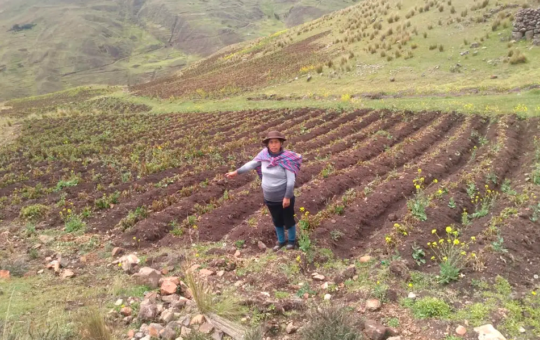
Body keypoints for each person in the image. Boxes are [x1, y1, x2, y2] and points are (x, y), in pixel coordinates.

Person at [226, 131, 302, 251]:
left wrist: (287, 197)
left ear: (281, 143)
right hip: (270, 198)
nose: (274, 145)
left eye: (276, 142)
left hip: (284, 198)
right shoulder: (264, 156)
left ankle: (292, 241)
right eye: (271, 142)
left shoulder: (287, 159)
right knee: (276, 220)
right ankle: (281, 241)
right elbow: (251, 164)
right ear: (267, 144)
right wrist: (236, 172)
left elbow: (291, 181)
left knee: (288, 219)